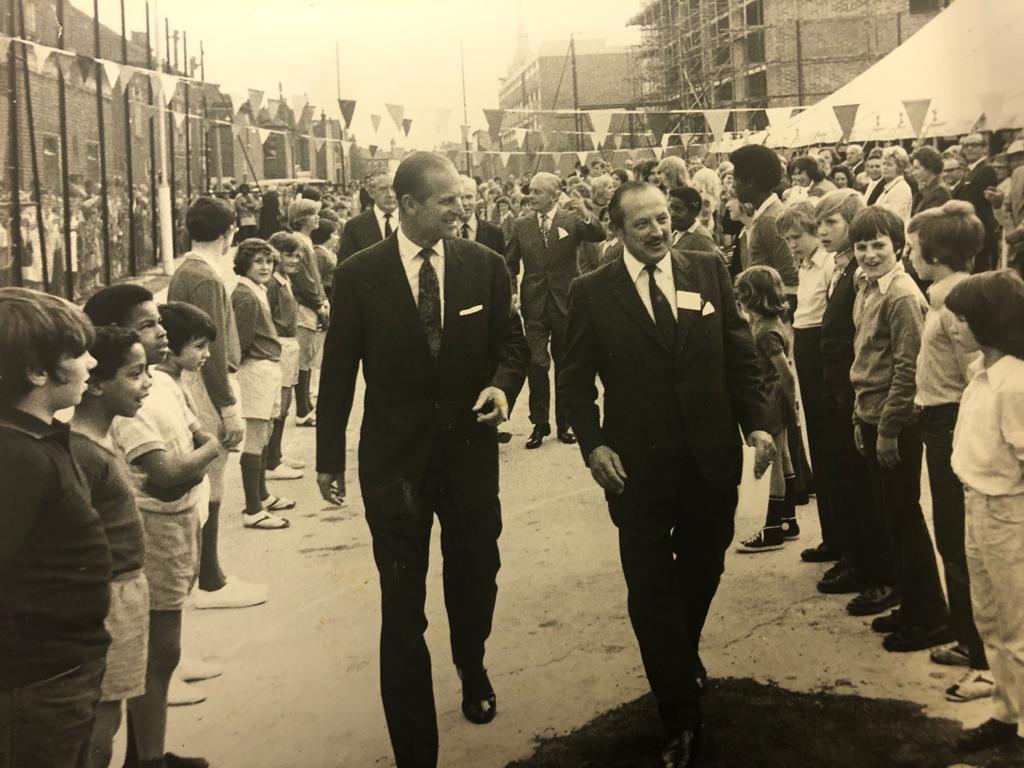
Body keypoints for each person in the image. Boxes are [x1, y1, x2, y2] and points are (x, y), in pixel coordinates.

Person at [315, 152, 529, 768]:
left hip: (467, 455)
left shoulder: (484, 265)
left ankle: (472, 664)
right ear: (407, 205)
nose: (462, 209)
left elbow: (511, 343)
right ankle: (415, 749)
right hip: (395, 463)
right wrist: (329, 455)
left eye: (462, 199)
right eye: (448, 202)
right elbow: (337, 369)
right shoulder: (360, 273)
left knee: (475, 572)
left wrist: (501, 385)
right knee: (401, 601)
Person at [558, 181, 774, 768]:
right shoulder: (591, 293)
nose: (657, 231)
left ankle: (679, 655)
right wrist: (594, 446)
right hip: (635, 469)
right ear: (617, 230)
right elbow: (573, 382)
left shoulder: (708, 271)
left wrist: (757, 424)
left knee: (704, 565)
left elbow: (740, 356)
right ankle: (679, 716)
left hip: (709, 460)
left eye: (662, 220)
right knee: (650, 590)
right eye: (643, 224)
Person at [85, 285, 218, 768]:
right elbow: (166, 475)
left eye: (158, 322)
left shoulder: (159, 381)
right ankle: (146, 759)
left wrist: (201, 451)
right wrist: (209, 451)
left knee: (163, 652)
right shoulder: (129, 403)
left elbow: (198, 433)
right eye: (147, 325)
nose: (162, 332)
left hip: (178, 522)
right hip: (153, 528)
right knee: (149, 657)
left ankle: (149, 754)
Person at [0, 288, 107, 768]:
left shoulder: (32, 437)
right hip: (39, 681)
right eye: (77, 353)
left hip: (59, 668)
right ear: (37, 372)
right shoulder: (18, 457)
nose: (90, 363)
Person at [848, 206, 951, 652]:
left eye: (878, 246)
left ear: (899, 247)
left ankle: (931, 617)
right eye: (862, 246)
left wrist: (888, 429)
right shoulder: (867, 286)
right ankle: (912, 605)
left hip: (896, 424)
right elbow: (865, 357)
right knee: (891, 517)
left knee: (905, 517)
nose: (870, 255)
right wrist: (860, 417)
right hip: (872, 416)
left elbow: (908, 370)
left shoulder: (903, 295)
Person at [906, 201, 992, 702]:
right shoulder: (941, 296)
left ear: (936, 253)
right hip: (938, 419)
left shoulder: (955, 301)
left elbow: (973, 373)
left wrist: (962, 436)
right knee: (952, 539)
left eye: (915, 249)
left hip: (951, 422)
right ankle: (969, 638)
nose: (910, 256)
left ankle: (976, 649)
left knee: (957, 541)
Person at [167, 197, 265, 609]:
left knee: (208, 477)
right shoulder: (206, 278)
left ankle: (207, 574)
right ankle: (210, 579)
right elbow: (212, 345)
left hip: (195, 381)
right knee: (213, 476)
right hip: (210, 383)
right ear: (229, 235)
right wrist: (228, 406)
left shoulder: (187, 270)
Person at [947, 270, 1024, 762]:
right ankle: (1008, 709)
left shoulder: (1014, 385)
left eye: (960, 319)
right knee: (990, 619)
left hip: (1007, 515)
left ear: (986, 323)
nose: (953, 326)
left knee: (1018, 623)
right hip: (977, 505)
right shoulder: (982, 373)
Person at [72, 327, 152, 768]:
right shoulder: (84, 452)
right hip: (109, 596)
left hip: (124, 591)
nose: (147, 383)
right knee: (101, 719)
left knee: (112, 712)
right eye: (135, 373)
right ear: (97, 383)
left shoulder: (102, 440)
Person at [816, 190, 889, 604]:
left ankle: (870, 565)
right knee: (847, 478)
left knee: (862, 484)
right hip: (842, 389)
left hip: (855, 390)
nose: (823, 232)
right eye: (821, 224)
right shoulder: (843, 269)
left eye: (832, 224)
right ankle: (855, 556)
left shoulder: (858, 273)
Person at [505, 171, 605, 449]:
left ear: (553, 195)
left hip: (566, 301)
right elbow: (509, 263)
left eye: (537, 192)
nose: (531, 196)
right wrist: (512, 291)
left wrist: (586, 211)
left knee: (565, 363)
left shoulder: (571, 220)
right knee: (537, 363)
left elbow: (598, 234)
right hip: (534, 304)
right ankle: (539, 423)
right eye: (531, 191)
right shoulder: (521, 224)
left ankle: (564, 422)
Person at [776, 201, 843, 577]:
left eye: (796, 236)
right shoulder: (805, 266)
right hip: (806, 345)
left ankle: (842, 537)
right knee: (818, 444)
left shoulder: (829, 265)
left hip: (820, 351)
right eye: (786, 240)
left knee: (832, 450)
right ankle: (831, 535)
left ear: (814, 231)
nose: (792, 245)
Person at [732, 266, 799, 552]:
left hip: (770, 399)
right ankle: (788, 520)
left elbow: (785, 372)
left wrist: (791, 403)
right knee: (783, 458)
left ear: (753, 297)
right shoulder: (772, 322)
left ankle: (772, 529)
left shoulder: (766, 330)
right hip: (775, 398)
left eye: (742, 296)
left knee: (772, 463)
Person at [231, 239, 291, 529]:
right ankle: (252, 509)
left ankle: (263, 495)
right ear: (245, 264)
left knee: (265, 430)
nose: (265, 267)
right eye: (258, 261)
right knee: (255, 435)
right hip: (255, 369)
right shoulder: (245, 295)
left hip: (267, 367)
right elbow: (238, 342)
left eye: (269, 261)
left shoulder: (258, 290)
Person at [729, 145, 799, 305]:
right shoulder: (764, 214)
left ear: (750, 182)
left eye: (735, 179)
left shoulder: (769, 219)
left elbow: (789, 276)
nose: (732, 186)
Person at [265, 232, 306, 480]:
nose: (294, 260)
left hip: (290, 344)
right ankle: (271, 461)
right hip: (280, 345)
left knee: (286, 403)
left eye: (298, 256)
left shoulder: (284, 280)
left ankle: (277, 454)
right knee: (278, 406)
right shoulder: (272, 284)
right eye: (289, 255)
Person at [954, 133, 1000, 272]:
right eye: (966, 146)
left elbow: (974, 201)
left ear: (984, 148)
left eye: (974, 145)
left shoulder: (986, 170)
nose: (969, 149)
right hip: (969, 232)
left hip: (981, 234)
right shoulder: (970, 170)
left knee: (981, 275)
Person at [338, 171, 397, 262]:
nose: (390, 194)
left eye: (394, 188)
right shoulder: (354, 227)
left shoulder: (413, 222)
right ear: (371, 193)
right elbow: (345, 269)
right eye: (383, 189)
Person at [870, 146, 914, 224]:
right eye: (883, 164)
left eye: (889, 165)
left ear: (900, 168)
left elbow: (896, 219)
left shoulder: (901, 189)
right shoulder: (889, 186)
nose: (885, 168)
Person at [667, 186, 717, 253]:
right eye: (671, 208)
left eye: (678, 209)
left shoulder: (702, 239)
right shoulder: (676, 232)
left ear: (694, 212)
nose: (672, 214)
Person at [910, 146, 952, 215]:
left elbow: (929, 222)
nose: (913, 173)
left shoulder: (939, 192)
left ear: (929, 168)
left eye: (916, 168)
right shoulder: (930, 189)